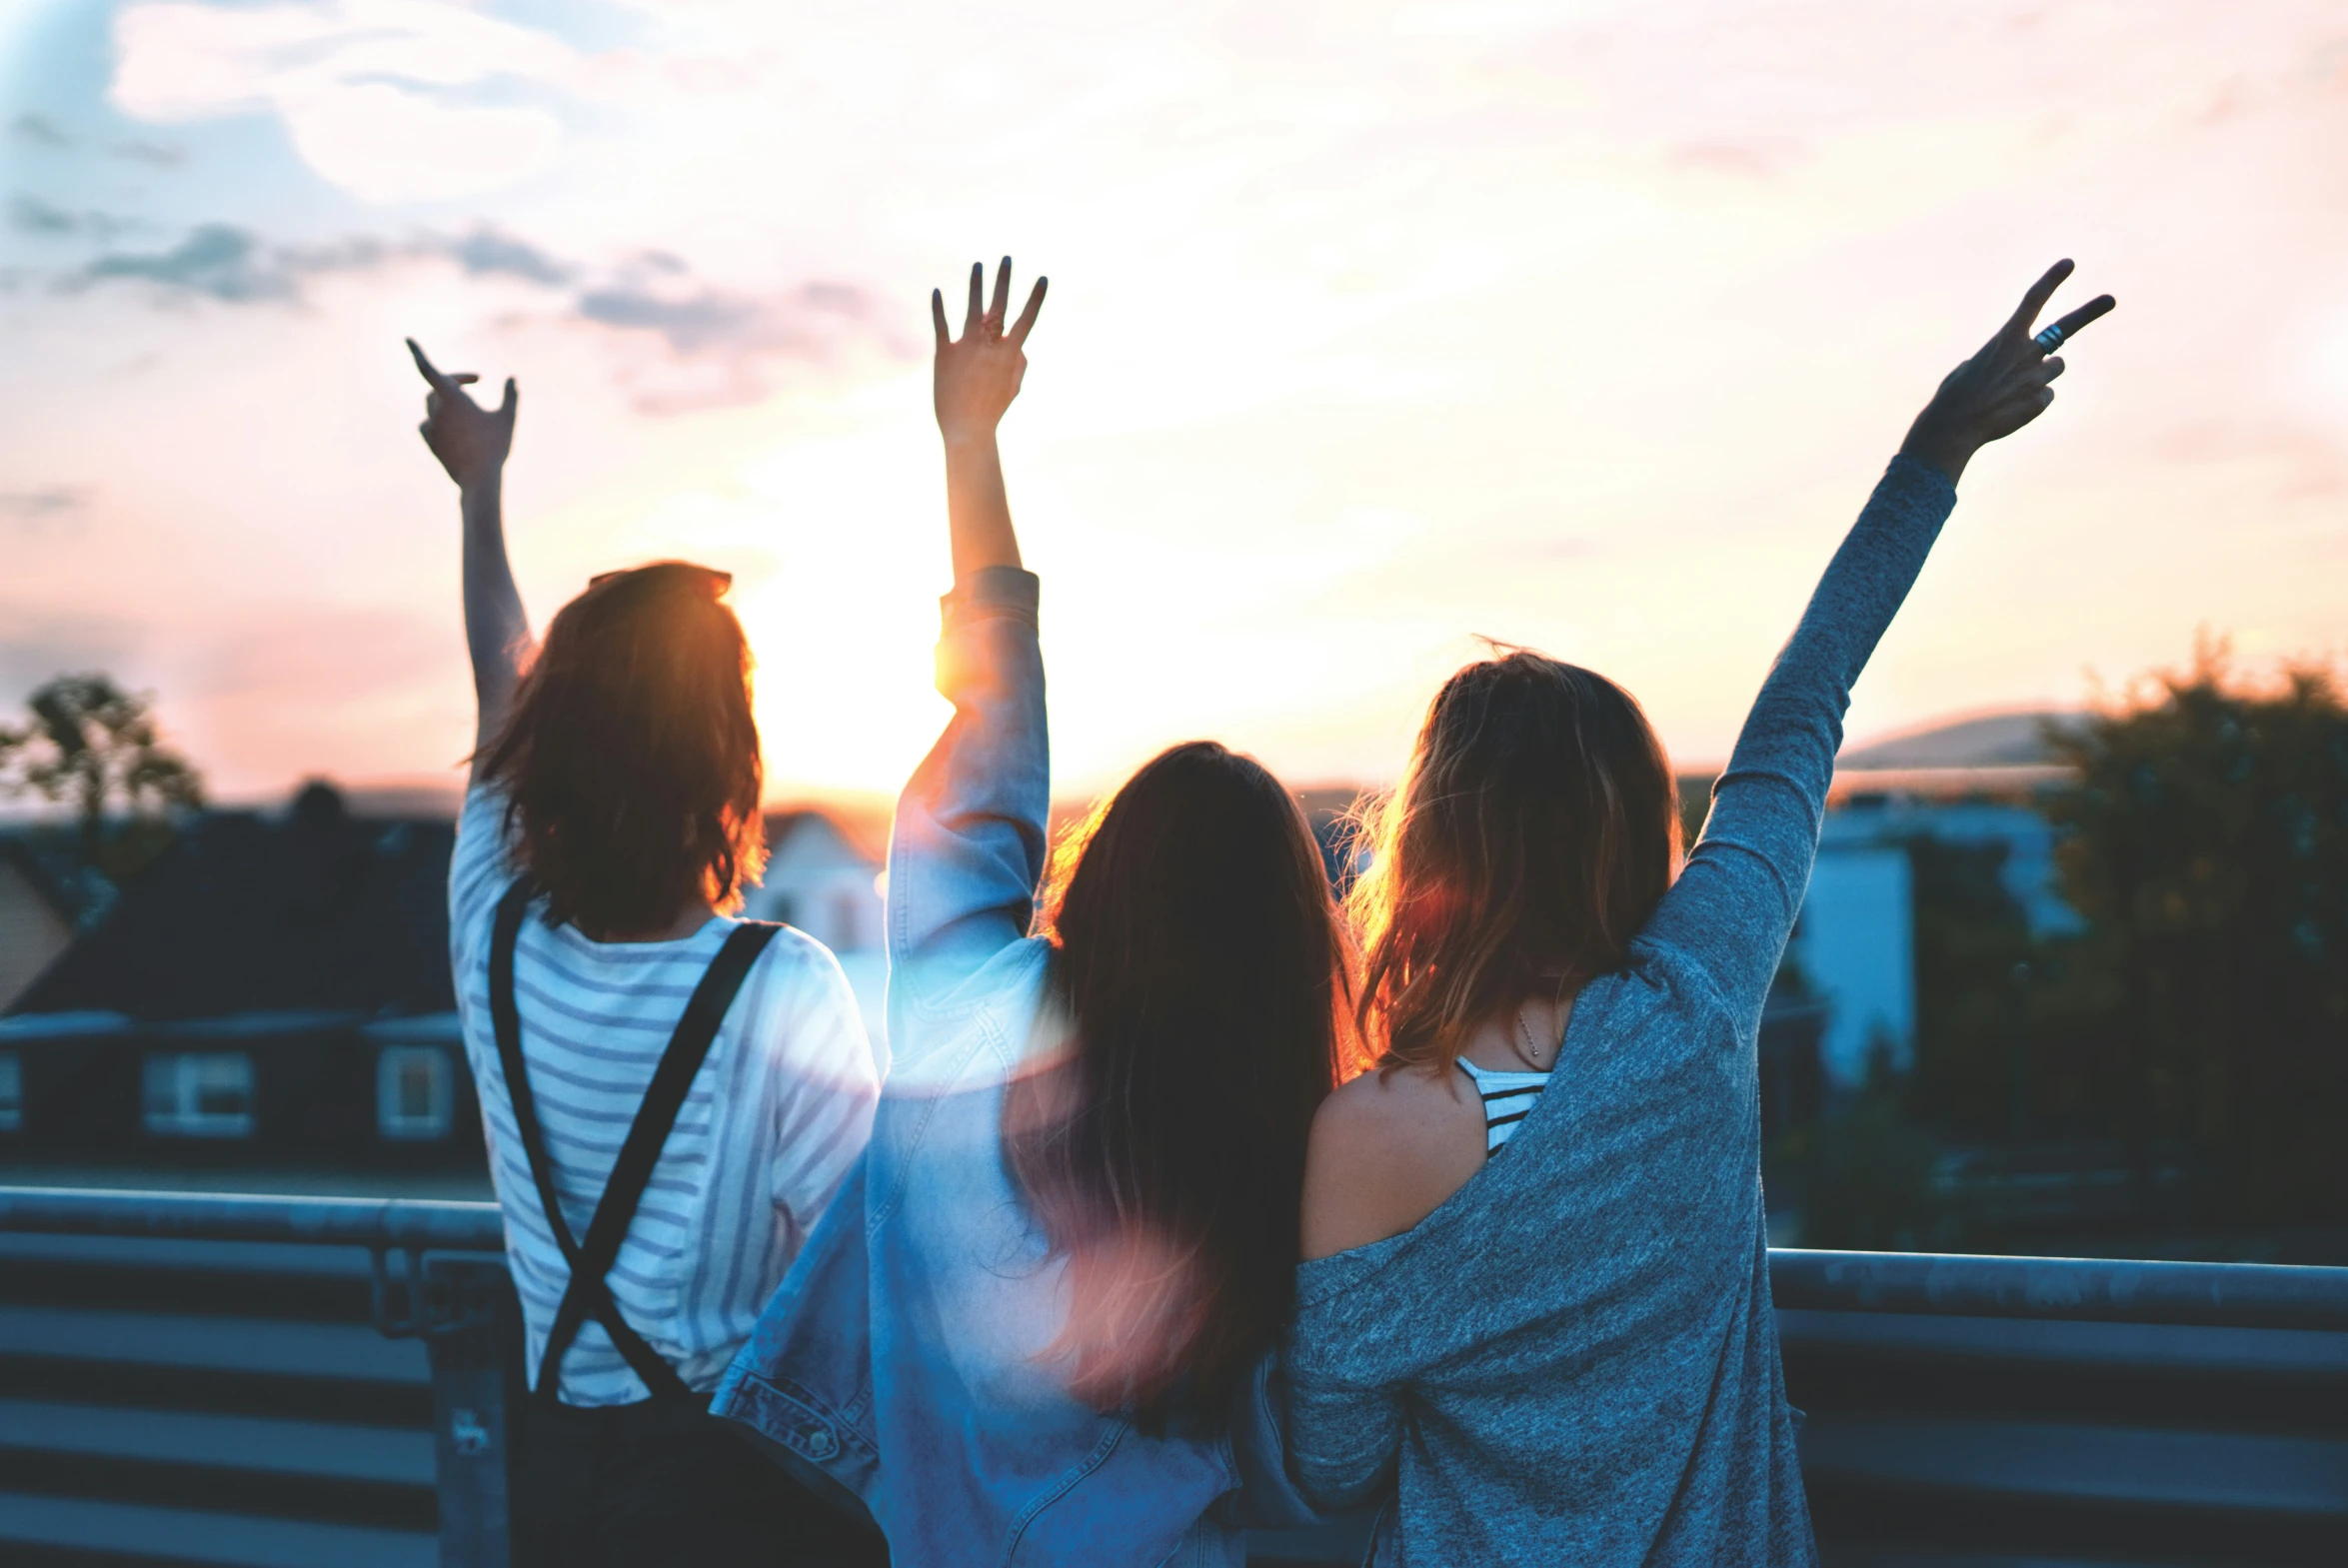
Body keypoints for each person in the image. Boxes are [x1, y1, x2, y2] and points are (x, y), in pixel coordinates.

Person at [1284, 263, 2116, 1564]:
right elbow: (1801, 712)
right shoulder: (1694, 1000)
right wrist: (1935, 448)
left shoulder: (1366, 1133)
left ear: (1432, 840)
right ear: (1627, 831)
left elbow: (1333, 1472)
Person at [714, 260, 1353, 1566]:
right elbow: (1311, 1460)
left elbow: (992, 740)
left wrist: (967, 442)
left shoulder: (969, 1019)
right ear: (1285, 943)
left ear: (1103, 874)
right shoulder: (1279, 1138)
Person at [409, 339, 888, 1567]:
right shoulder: (782, 989)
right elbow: (858, 1279)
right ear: (729, 766)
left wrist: (479, 491)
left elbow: (498, 694)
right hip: (732, 1494)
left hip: (549, 1477)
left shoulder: (491, 932)